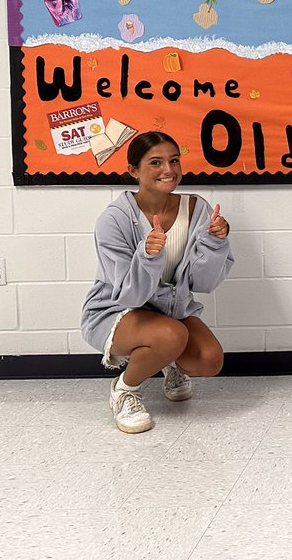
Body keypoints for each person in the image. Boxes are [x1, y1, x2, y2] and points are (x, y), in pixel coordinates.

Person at [80, 131, 235, 433]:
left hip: (169, 312)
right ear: (133, 171)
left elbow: (203, 282)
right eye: (155, 162)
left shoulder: (196, 208)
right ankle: (124, 390)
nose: (169, 170)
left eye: (174, 160)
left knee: (209, 359)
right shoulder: (114, 219)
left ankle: (168, 361)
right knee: (171, 335)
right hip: (116, 310)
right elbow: (130, 295)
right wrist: (149, 256)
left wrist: (216, 242)